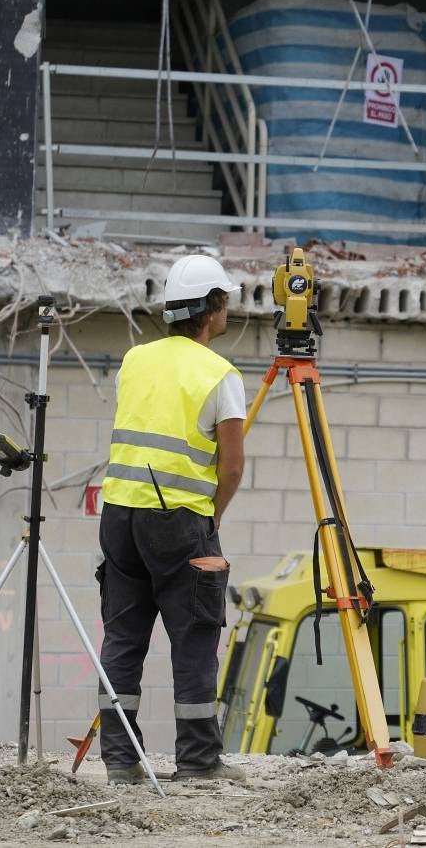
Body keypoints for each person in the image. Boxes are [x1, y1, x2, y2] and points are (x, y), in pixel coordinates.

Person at [96, 254, 248, 784]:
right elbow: (231, 468)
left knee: (122, 638)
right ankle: (198, 764)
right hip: (180, 521)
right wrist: (209, 520)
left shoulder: (134, 360)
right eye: (224, 300)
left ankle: (119, 761)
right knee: (194, 637)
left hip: (119, 516)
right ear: (212, 308)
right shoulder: (220, 374)